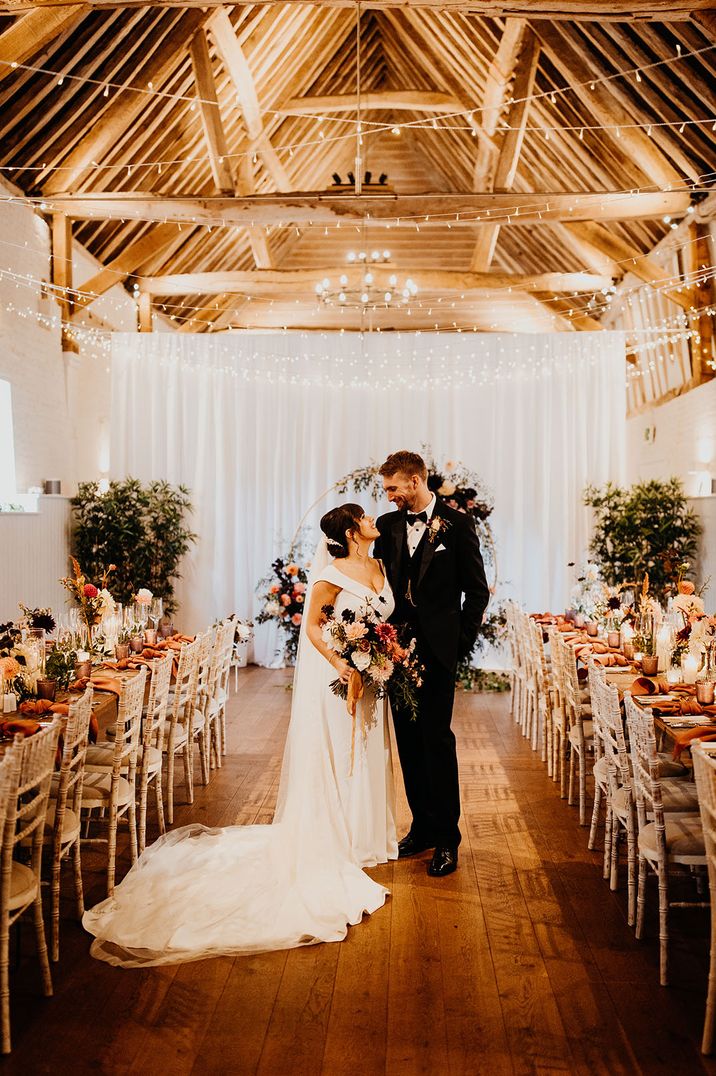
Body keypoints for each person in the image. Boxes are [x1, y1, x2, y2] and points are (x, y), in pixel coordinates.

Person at [83, 504, 397, 967]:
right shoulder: (331, 573)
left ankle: (366, 833)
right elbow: (314, 626)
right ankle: (340, 833)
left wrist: (382, 653)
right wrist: (343, 663)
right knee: (338, 750)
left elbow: (383, 619)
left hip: (375, 680)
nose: (375, 521)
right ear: (352, 531)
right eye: (366, 518)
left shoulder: (380, 564)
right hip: (341, 678)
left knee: (368, 750)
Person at [374, 450, 490, 877]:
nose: (388, 496)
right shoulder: (387, 526)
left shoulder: (458, 526)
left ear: (416, 480)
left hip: (439, 653)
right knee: (408, 743)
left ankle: (447, 838)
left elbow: (477, 592)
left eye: (392, 488)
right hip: (394, 652)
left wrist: (457, 646)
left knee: (436, 742)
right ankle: (421, 826)